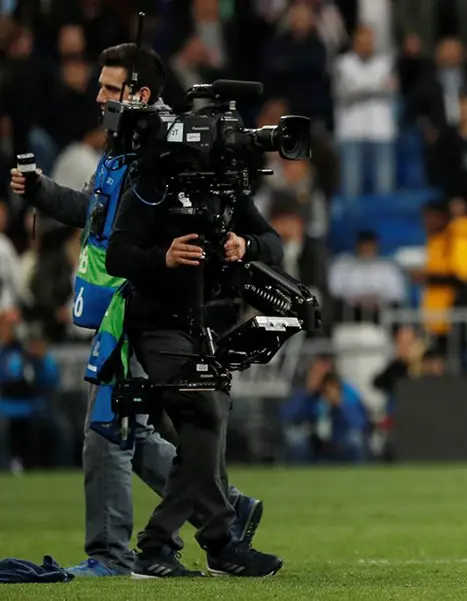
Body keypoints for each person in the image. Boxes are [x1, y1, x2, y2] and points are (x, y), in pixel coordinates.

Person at [8, 43, 264, 578]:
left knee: (110, 425)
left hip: (146, 305)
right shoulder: (126, 142)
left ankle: (113, 552)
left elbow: (155, 230)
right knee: (140, 426)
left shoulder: (167, 149)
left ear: (138, 93)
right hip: (126, 302)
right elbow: (98, 214)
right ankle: (223, 506)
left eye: (108, 86)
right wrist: (41, 191)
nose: (97, 96)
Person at [104, 101, 287, 577]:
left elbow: (274, 242)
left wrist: (245, 245)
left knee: (208, 425)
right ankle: (202, 540)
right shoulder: (153, 180)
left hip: (201, 323)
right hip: (156, 323)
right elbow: (118, 254)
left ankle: (181, 544)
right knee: (204, 412)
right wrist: (162, 256)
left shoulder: (227, 187)